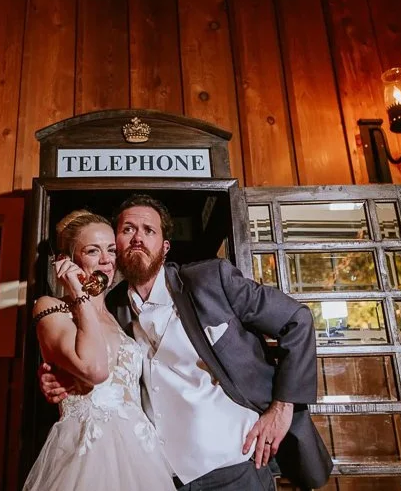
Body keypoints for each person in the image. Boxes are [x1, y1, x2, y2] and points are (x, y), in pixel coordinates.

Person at [39, 195, 332, 491]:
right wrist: (61, 375)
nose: (137, 237)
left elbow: (297, 320)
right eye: (127, 230)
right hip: (160, 476)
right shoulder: (111, 309)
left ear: (165, 248)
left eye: (148, 230)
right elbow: (98, 364)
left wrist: (282, 408)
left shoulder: (210, 280)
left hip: (236, 467)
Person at [24, 209, 175, 491]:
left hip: (141, 451)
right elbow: (95, 369)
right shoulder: (52, 306)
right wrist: (79, 293)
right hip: (89, 448)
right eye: (93, 251)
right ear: (67, 260)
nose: (106, 261)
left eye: (111, 251)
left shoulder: (119, 314)